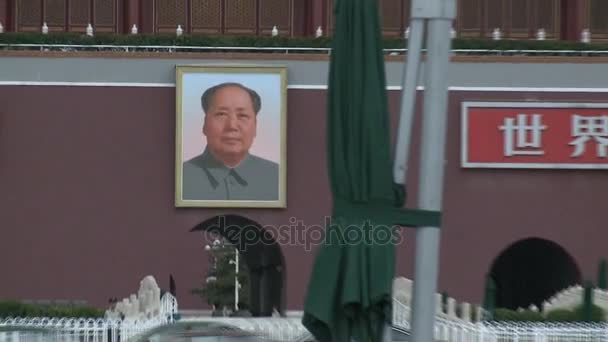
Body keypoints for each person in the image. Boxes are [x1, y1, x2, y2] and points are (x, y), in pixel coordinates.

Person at [182, 82, 279, 201]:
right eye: (221, 114)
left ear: (255, 126)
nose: (232, 126)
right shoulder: (179, 178)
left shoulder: (279, 178)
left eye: (242, 116)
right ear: (205, 124)